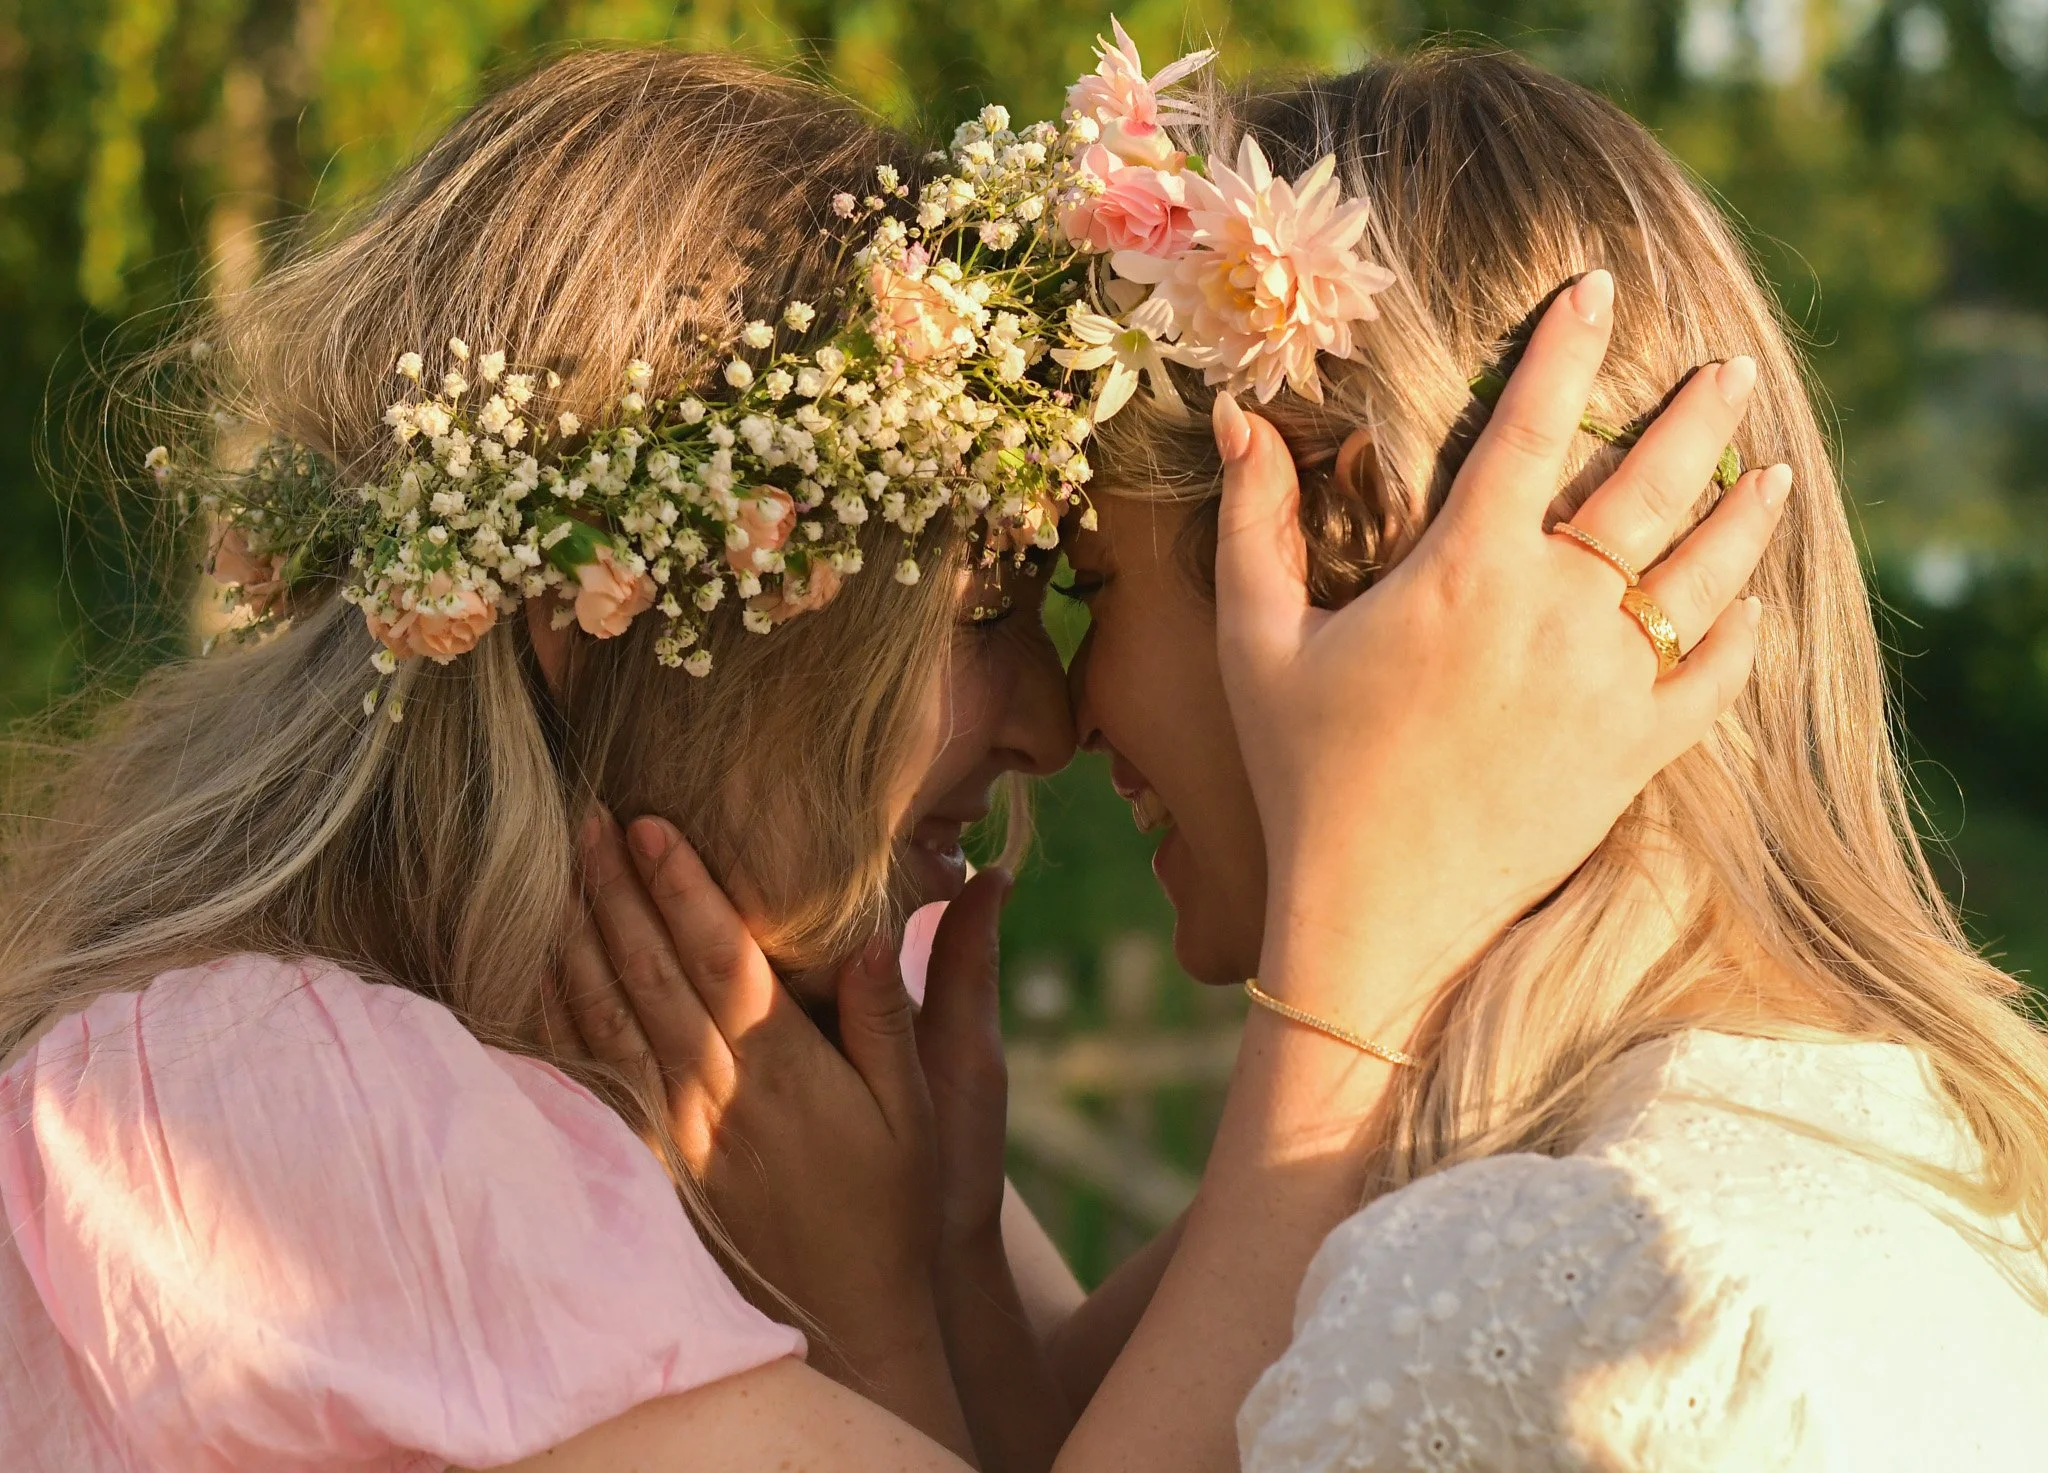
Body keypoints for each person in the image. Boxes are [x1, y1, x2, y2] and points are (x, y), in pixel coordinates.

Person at [0, 36, 1774, 1473]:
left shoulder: (789, 1039)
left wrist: (922, 1281)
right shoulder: (273, 1126)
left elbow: (1106, 1421)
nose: (1052, 720)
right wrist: (1350, 994)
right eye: (980, 605)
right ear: (617, 608)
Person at [578, 42, 2048, 1473]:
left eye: (1097, 583)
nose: (1072, 717)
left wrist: (875, 1333)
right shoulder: (1878, 1126)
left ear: (1334, 551)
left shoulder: (1543, 1284)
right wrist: (948, 1265)